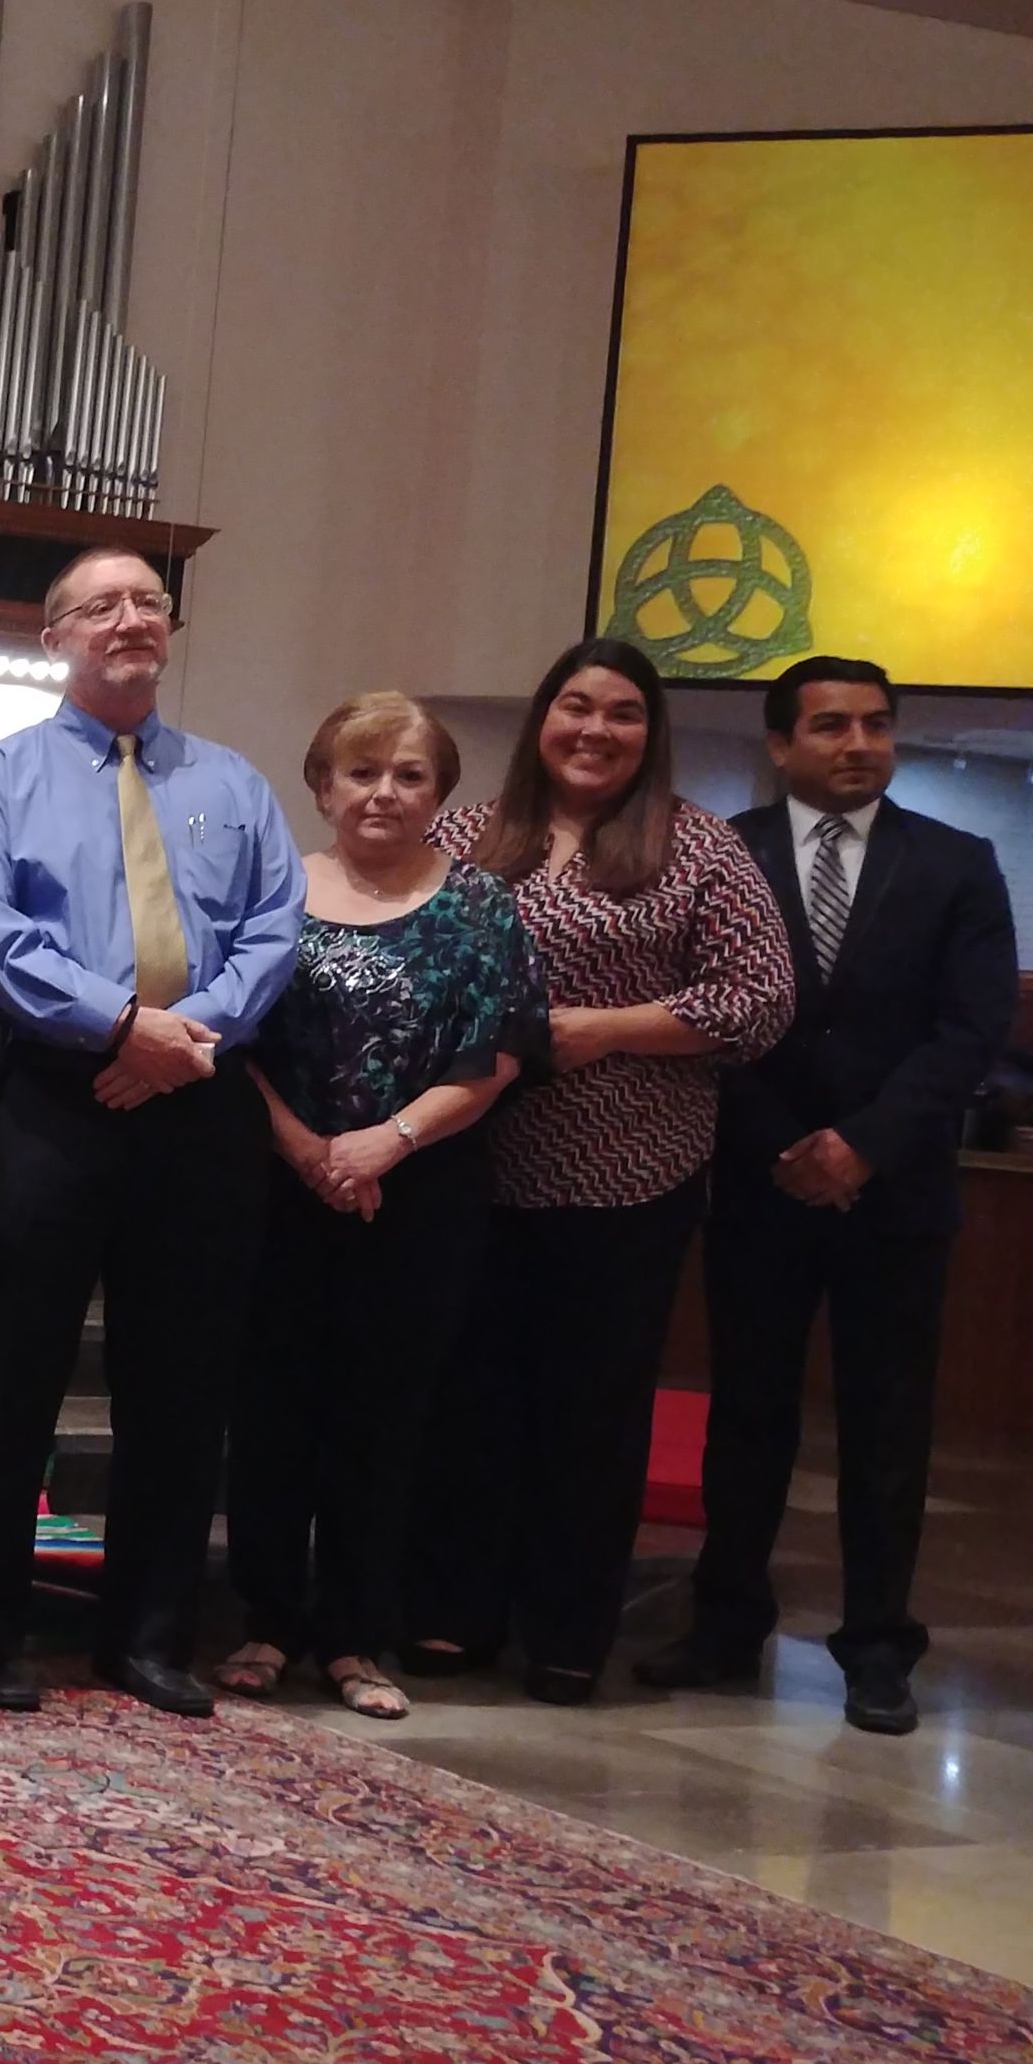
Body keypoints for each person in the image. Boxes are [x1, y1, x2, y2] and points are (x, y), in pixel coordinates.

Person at [0, 546, 304, 1715]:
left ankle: (146, 1637)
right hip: (39, 1104)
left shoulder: (233, 786)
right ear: (54, 639)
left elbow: (272, 931)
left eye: (147, 602)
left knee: (180, 1385)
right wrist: (116, 1030)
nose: (128, 619)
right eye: (100, 606)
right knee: (5, 1379)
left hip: (192, 1109)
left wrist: (177, 1038)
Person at [406, 638, 793, 1703]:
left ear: (647, 733)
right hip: (470, 1163)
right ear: (541, 718)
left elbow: (758, 1000)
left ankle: (567, 1632)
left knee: (592, 1413)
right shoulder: (462, 834)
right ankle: (449, 1612)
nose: (594, 730)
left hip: (628, 1176)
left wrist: (607, 1028)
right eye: (574, 706)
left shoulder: (696, 846)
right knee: (468, 1399)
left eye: (621, 713)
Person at [638, 657, 1017, 1736]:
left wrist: (861, 1146)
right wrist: (791, 1150)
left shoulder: (954, 863)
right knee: (745, 1418)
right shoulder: (720, 856)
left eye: (875, 725)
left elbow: (968, 1031)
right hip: (761, 1187)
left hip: (894, 1197)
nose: (858, 743)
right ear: (778, 743)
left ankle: (875, 1645)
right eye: (831, 725)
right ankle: (721, 1626)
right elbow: (703, 1017)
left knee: (884, 1427)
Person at [212, 694, 542, 1721]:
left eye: (407, 777)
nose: (381, 794)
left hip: (420, 1194)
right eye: (360, 773)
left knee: (384, 1416)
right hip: (277, 1183)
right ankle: (267, 1619)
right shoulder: (269, 891)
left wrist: (383, 1143)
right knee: (270, 1412)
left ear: (437, 795)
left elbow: (493, 1056)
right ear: (320, 785)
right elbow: (226, 1037)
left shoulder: (481, 904)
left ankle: (355, 1636)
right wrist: (308, 1148)